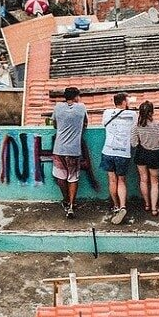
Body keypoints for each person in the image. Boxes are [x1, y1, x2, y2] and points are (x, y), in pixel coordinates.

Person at [100, 92, 137, 224]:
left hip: (108, 150)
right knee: (121, 180)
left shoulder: (106, 113)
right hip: (123, 152)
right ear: (124, 102)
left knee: (112, 180)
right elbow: (135, 129)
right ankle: (122, 206)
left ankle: (115, 206)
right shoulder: (133, 115)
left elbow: (104, 124)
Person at [52, 86, 88, 219]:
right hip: (74, 149)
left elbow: (55, 125)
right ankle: (72, 205)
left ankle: (66, 200)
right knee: (72, 178)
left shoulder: (57, 107)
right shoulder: (81, 107)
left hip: (59, 148)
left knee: (61, 177)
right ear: (76, 97)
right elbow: (85, 123)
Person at [131, 101, 159, 216]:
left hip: (141, 154)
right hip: (154, 154)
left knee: (143, 180)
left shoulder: (136, 126)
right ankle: (154, 208)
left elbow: (133, 143)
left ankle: (147, 204)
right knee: (154, 182)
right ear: (152, 112)